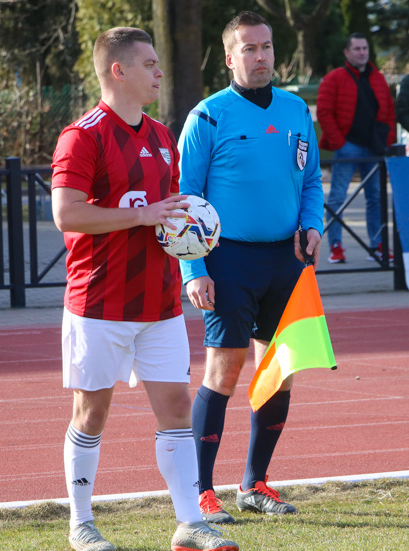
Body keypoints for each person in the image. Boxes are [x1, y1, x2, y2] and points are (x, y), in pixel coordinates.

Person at [50, 26, 239, 551]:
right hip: (99, 302)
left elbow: (166, 213)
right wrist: (144, 214)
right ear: (119, 71)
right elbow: (66, 213)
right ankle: (81, 523)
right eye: (150, 63)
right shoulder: (82, 136)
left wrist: (188, 226)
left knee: (177, 404)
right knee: (92, 412)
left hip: (158, 301)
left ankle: (188, 524)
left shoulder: (160, 135)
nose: (160, 71)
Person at [177, 11, 324, 524]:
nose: (260, 57)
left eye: (266, 48)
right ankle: (199, 492)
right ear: (229, 57)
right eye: (249, 49)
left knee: (281, 371)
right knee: (224, 370)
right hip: (227, 259)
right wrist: (194, 271)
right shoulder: (207, 117)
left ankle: (255, 483)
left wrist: (312, 225)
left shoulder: (296, 110)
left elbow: (311, 182)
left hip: (287, 259)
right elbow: (184, 202)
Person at [317, 33, 396, 264]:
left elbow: (390, 112)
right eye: (357, 48)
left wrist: (387, 141)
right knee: (338, 198)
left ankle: (378, 246)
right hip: (348, 147)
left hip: (374, 148)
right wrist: (340, 143)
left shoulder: (378, 78)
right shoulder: (334, 78)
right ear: (347, 52)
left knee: (376, 198)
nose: (362, 52)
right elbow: (324, 113)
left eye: (365, 48)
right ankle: (336, 247)